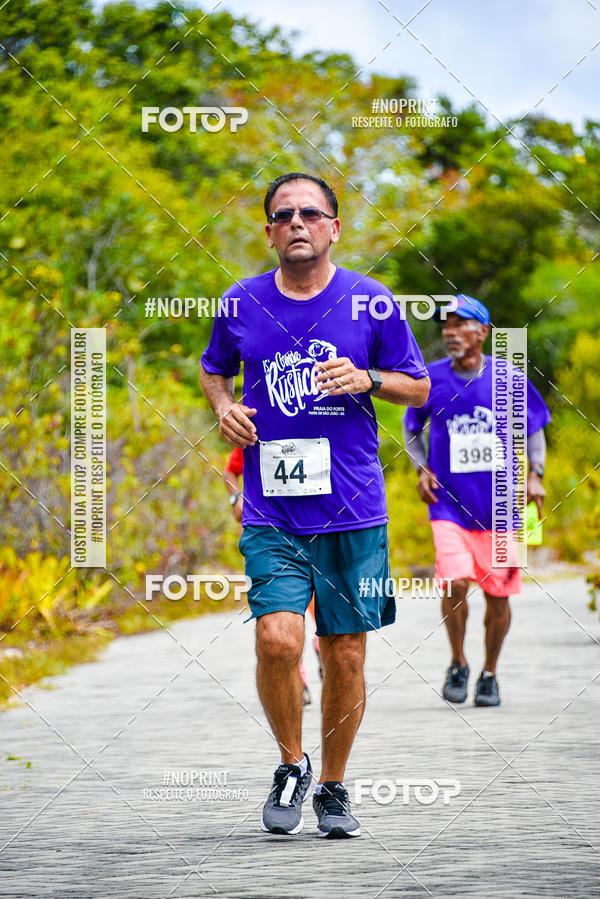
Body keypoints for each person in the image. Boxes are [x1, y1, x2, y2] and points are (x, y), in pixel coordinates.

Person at [201, 172, 430, 838]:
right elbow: (214, 366)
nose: (297, 221)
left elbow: (418, 387)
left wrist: (368, 379)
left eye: (311, 212)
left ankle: (332, 785)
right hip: (272, 507)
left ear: (334, 227)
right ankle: (290, 763)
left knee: (346, 654)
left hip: (354, 508)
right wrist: (223, 407)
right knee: (278, 638)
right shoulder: (241, 303)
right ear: (268, 230)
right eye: (283, 214)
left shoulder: (373, 302)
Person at [402, 295, 551, 707]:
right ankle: (458, 662)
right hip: (447, 504)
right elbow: (412, 430)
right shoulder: (429, 379)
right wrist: (421, 466)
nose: (449, 332)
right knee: (454, 581)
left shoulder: (509, 377)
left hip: (502, 506)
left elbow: (534, 430)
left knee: (498, 596)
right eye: (445, 325)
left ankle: (489, 673)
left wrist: (535, 475)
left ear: (482, 332)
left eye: (459, 323)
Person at [223, 447, 320, 705]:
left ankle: (323, 651)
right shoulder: (259, 431)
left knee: (320, 612)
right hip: (273, 537)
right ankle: (298, 683)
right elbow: (230, 472)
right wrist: (236, 499)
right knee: (285, 619)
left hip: (321, 531)